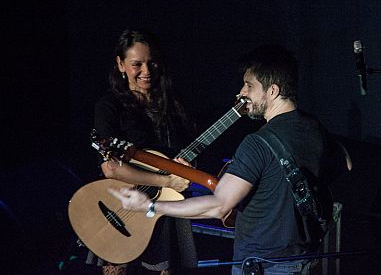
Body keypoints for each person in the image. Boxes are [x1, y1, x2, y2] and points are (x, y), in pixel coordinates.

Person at [109, 44, 334, 274]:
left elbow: (219, 206)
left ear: (273, 91)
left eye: (249, 86)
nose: (241, 93)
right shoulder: (315, 128)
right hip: (306, 260)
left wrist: (149, 205)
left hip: (263, 265)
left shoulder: (257, 143)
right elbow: (345, 165)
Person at [90, 29, 197, 275]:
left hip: (166, 204)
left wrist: (182, 169)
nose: (146, 71)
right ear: (120, 64)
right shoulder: (109, 107)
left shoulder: (174, 104)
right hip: (122, 206)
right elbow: (110, 168)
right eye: (137, 64)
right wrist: (165, 179)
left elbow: (188, 150)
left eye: (152, 62)